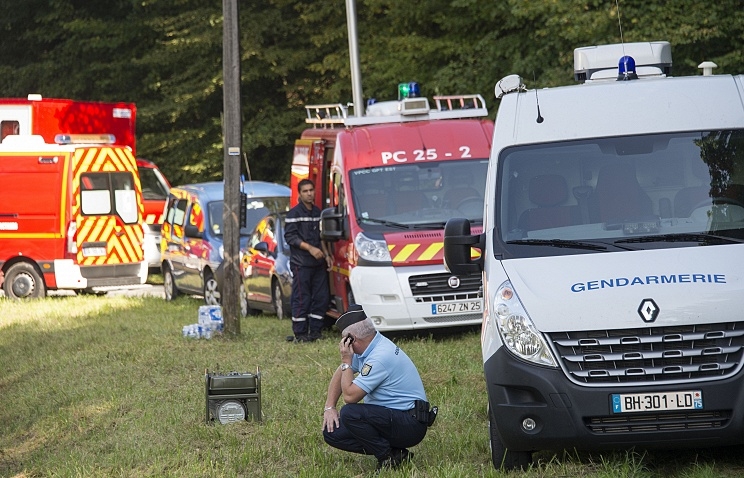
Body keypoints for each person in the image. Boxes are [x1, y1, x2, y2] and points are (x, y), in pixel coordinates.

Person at [322, 305, 437, 471]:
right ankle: (395, 452)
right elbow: (341, 372)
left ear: (352, 339)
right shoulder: (370, 346)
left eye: (344, 340)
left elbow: (350, 396)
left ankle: (388, 457)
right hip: (391, 417)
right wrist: (329, 407)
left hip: (409, 424)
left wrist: (347, 361)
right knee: (332, 432)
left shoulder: (380, 357)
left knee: (349, 413)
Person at [283, 179, 332, 342]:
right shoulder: (294, 214)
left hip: (318, 264)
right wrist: (310, 248)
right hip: (301, 264)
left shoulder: (319, 213)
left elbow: (322, 237)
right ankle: (300, 333)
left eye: (311, 190)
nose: (309, 193)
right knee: (302, 298)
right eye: (305, 191)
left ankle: (315, 332)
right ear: (300, 194)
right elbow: (290, 237)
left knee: (321, 298)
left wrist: (327, 255)